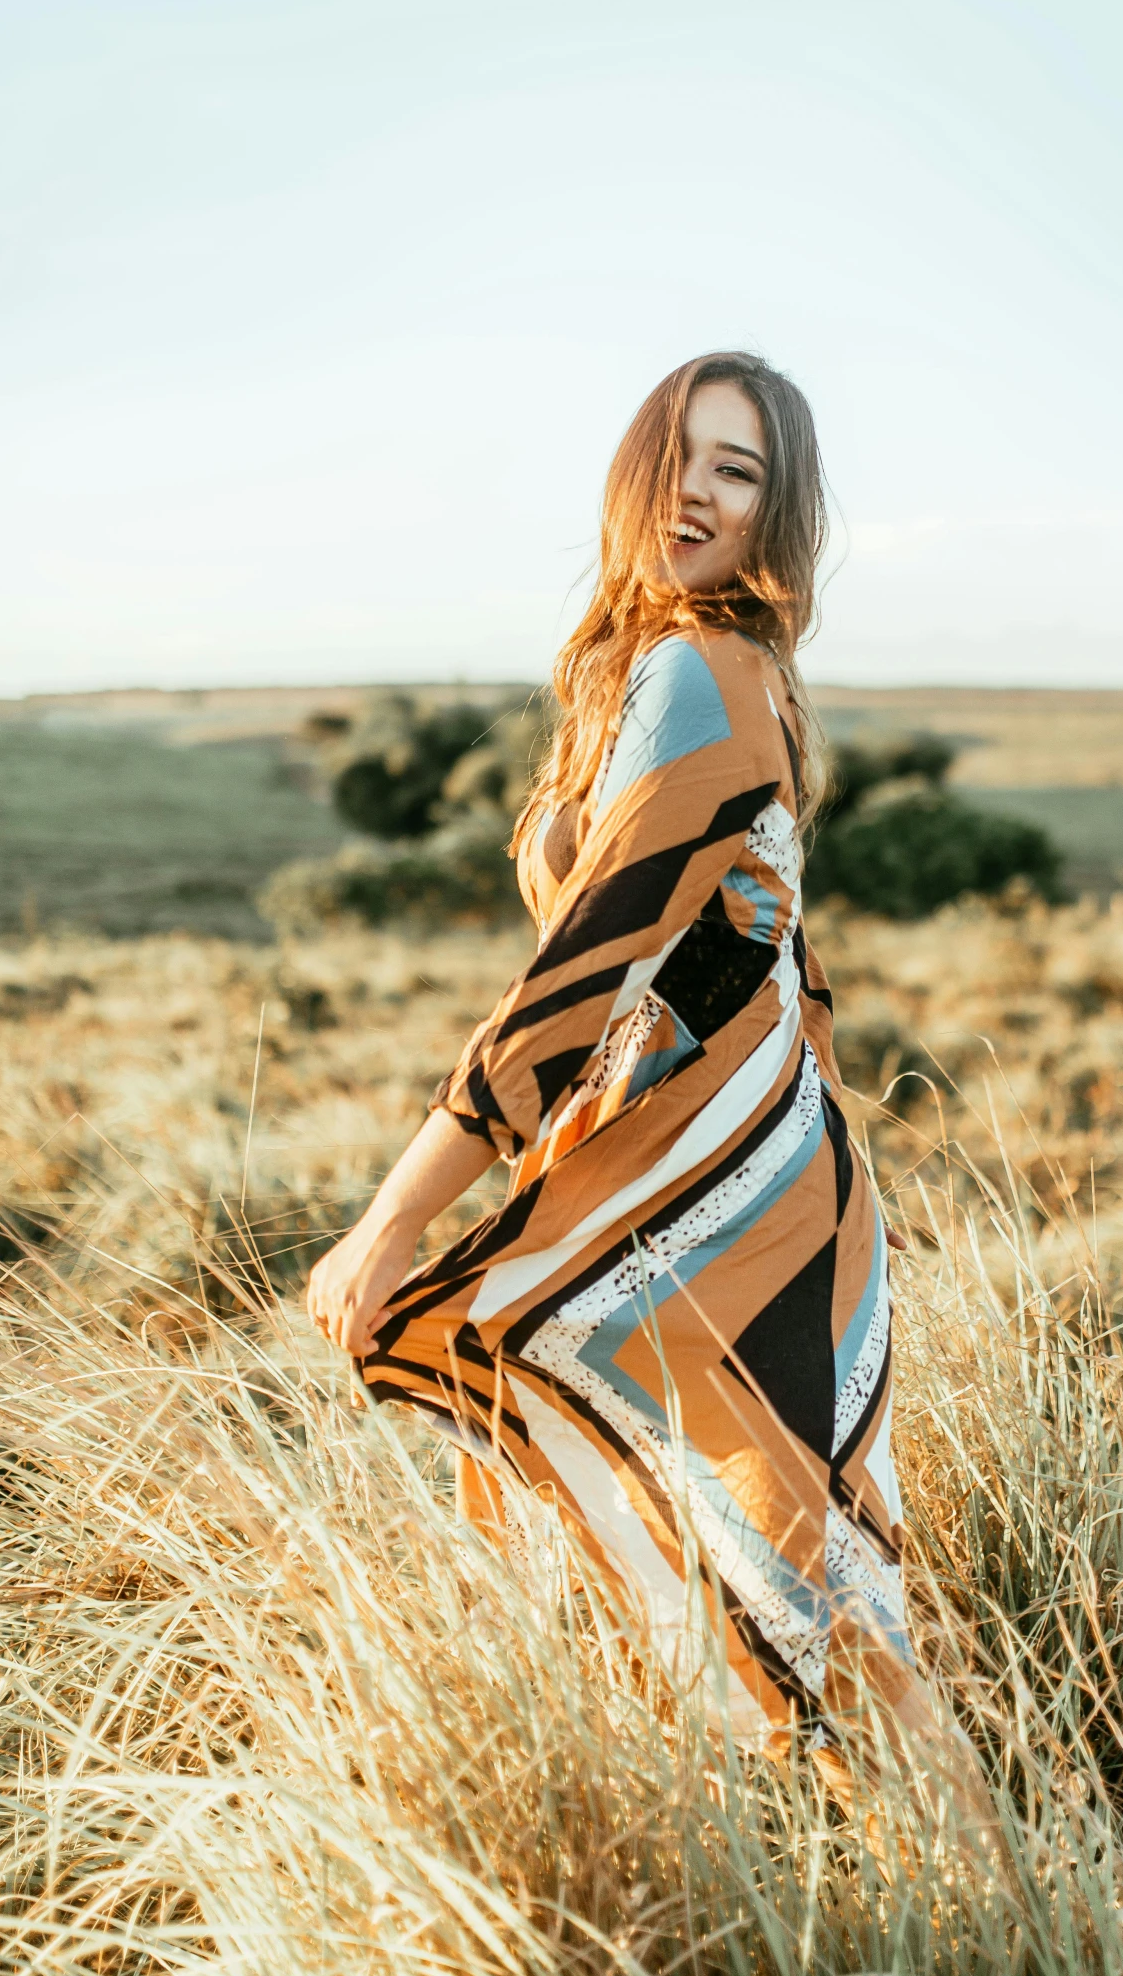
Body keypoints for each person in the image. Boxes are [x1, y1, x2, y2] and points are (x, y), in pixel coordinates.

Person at [306, 350, 995, 1834]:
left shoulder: (705, 674)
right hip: (688, 1187)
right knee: (757, 1592)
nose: (697, 487)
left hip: (730, 1212)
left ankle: (1029, 1946)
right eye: (681, 451)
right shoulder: (650, 672)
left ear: (772, 515)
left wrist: (394, 1219)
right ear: (634, 468)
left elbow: (586, 974)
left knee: (824, 1613)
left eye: (738, 470)